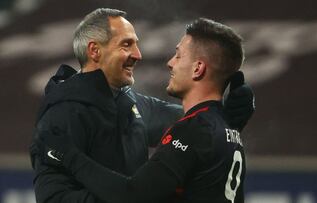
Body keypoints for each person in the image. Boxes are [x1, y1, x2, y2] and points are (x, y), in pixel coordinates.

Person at [30, 8, 254, 203]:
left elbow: (196, 127)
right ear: (95, 51)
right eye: (126, 45)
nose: (138, 55)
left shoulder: (131, 104)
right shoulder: (62, 113)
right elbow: (53, 198)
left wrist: (224, 113)